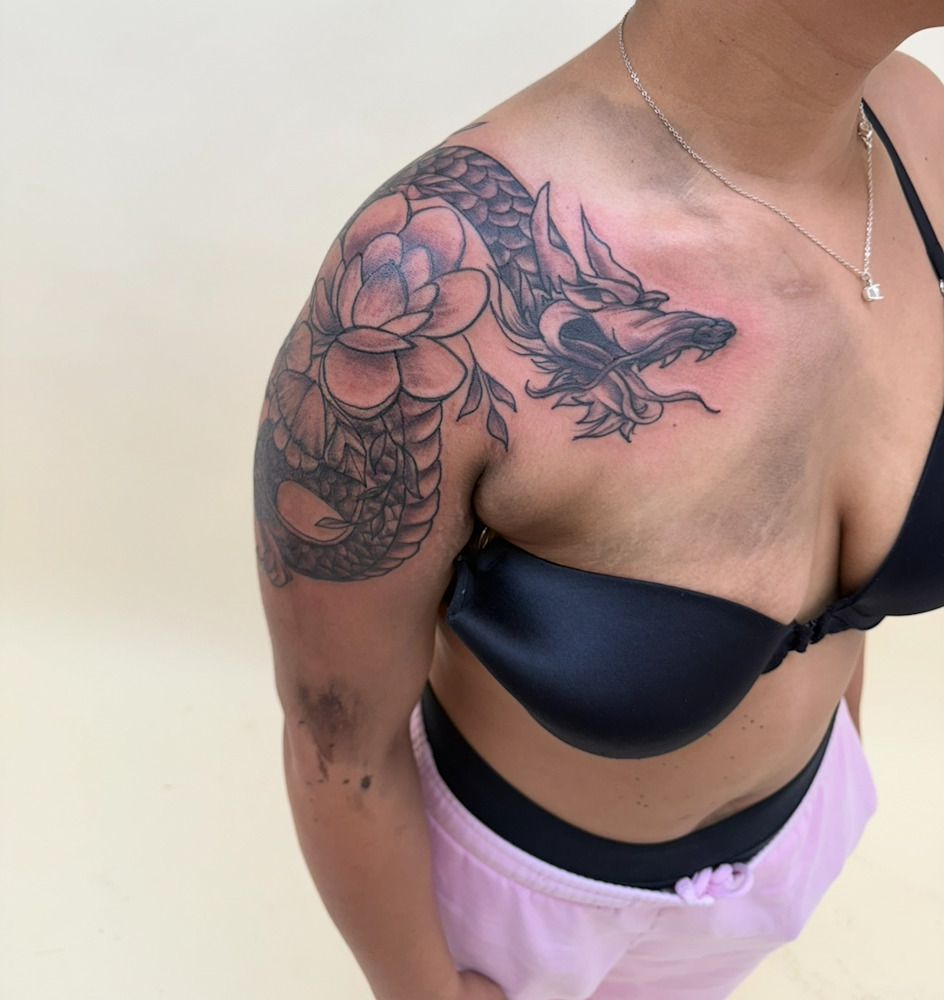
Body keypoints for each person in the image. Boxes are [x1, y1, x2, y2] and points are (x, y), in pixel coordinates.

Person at [253, 2, 944, 997]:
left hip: (794, 842)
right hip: (524, 918)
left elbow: (843, 575)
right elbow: (338, 743)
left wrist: (833, 788)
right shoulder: (427, 284)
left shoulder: (917, 138)